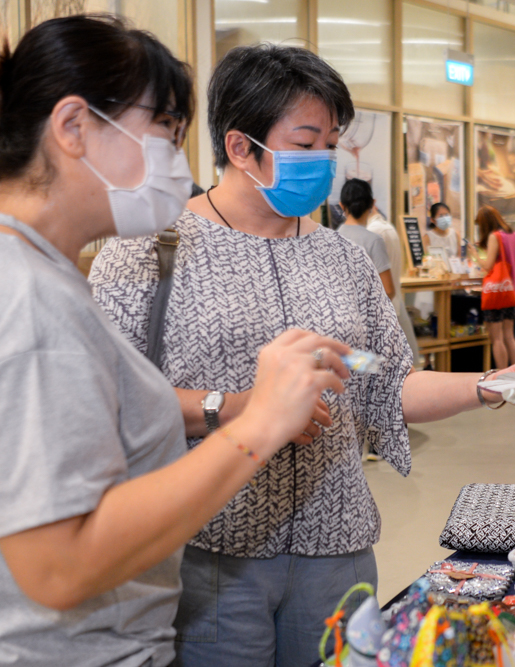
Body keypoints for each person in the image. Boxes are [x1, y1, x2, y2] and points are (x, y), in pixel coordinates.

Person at [89, 43, 515, 667]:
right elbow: (107, 399)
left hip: (335, 548)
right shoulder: (150, 252)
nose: (323, 161)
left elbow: (381, 378)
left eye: (331, 144)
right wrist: (239, 408)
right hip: (210, 551)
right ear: (240, 147)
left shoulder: (342, 259)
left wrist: (494, 383)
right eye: (306, 143)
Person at [0, 16, 354, 666]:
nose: (175, 162)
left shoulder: (45, 275)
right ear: (73, 126)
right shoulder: (27, 294)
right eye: (163, 130)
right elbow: (58, 565)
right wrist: (260, 422)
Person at [368, 205, 421, 363]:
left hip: (383, 309)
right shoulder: (387, 228)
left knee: (385, 364)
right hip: (394, 305)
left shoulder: (374, 232)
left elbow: (386, 285)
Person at [474, 205, 515, 369]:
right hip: (510, 291)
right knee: (510, 336)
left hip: (496, 293)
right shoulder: (513, 234)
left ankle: (502, 374)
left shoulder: (494, 236)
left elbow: (487, 265)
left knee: (497, 339)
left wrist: (475, 254)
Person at [338, 178, 394, 300]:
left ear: (341, 205)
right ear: (372, 204)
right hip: (365, 311)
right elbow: (388, 290)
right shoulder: (374, 241)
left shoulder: (331, 239)